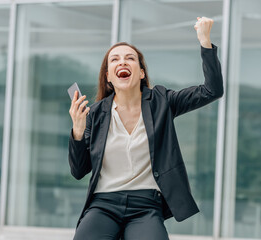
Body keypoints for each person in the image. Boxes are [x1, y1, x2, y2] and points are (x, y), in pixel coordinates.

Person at [68, 17, 223, 240]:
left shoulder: (162, 101)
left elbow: (212, 90)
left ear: (141, 72)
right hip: (103, 204)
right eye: (115, 60)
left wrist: (205, 41)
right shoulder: (95, 114)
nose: (122, 62)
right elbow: (78, 171)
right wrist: (78, 131)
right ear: (108, 76)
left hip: (146, 204)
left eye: (130, 58)